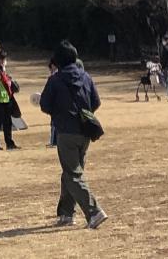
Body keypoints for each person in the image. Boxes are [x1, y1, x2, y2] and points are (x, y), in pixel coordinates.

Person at [38, 41, 107, 230]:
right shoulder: (86, 76)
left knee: (73, 174)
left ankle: (94, 212)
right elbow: (96, 101)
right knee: (72, 172)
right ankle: (66, 214)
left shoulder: (55, 80)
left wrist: (59, 113)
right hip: (85, 131)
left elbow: (45, 105)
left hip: (66, 132)